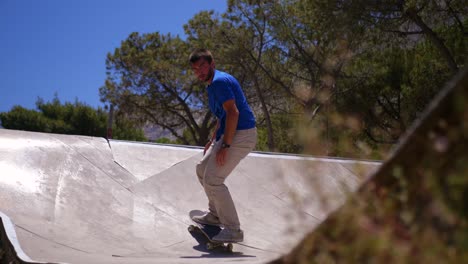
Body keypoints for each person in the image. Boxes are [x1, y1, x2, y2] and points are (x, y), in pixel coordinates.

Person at [189, 48, 257, 242]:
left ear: (212, 64)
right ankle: (215, 215)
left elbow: (234, 113)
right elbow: (223, 115)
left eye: (202, 66)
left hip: (241, 134)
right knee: (202, 170)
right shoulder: (212, 85)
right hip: (228, 134)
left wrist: (226, 146)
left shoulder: (219, 82)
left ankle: (233, 229)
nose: (199, 72)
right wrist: (213, 140)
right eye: (195, 69)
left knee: (213, 179)